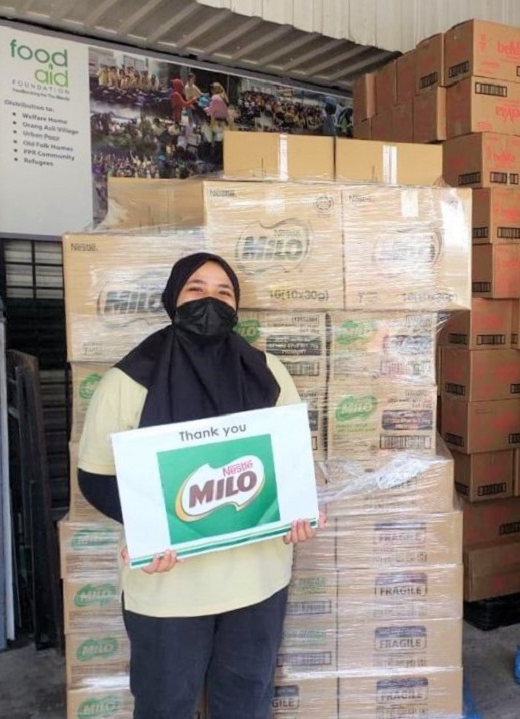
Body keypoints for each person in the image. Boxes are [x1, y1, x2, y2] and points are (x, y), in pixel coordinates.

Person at [77, 253, 319, 719]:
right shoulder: (129, 380)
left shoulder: (267, 371)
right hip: (169, 587)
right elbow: (96, 477)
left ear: (237, 306)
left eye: (224, 292)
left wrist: (297, 511)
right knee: (165, 706)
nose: (210, 300)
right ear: (172, 298)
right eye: (196, 289)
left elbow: (291, 462)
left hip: (258, 583)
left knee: (245, 705)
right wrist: (151, 527)